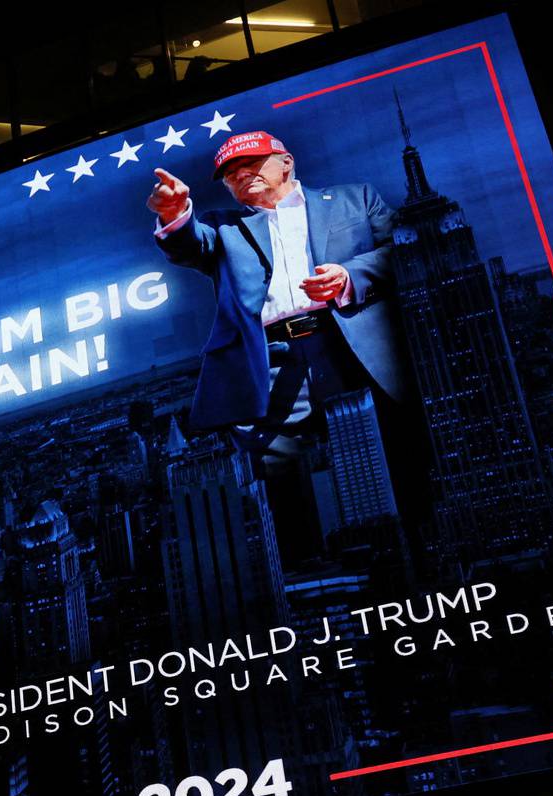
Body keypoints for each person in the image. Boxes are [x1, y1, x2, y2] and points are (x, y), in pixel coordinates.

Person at [146, 131, 426, 556]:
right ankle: (314, 574)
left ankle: (419, 552)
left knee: (394, 458)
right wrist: (174, 213)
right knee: (281, 480)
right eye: (230, 174)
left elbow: (404, 247)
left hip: (350, 347)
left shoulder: (356, 199)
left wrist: (350, 276)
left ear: (286, 161)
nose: (241, 175)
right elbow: (189, 244)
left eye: (251, 164)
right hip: (273, 362)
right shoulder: (226, 229)